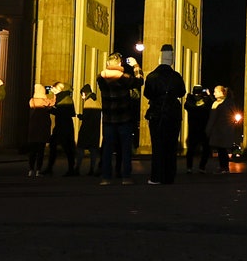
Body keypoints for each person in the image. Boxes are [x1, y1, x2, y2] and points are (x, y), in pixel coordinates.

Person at [97, 53, 142, 185]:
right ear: (120, 64)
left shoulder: (100, 78)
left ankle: (106, 177)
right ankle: (126, 177)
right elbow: (140, 81)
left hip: (108, 119)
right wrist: (135, 65)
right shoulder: (125, 78)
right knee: (125, 149)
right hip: (124, 118)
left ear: (107, 64)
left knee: (107, 149)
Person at [143, 44, 185, 185]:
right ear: (171, 58)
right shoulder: (176, 76)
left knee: (157, 146)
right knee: (171, 146)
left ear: (160, 57)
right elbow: (182, 92)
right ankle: (169, 176)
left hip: (157, 113)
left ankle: (156, 176)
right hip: (173, 114)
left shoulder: (152, 76)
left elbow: (147, 94)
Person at [46, 82, 79, 176]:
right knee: (62, 147)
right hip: (63, 125)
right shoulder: (63, 97)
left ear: (60, 89)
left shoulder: (64, 98)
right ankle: (52, 168)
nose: (52, 90)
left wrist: (51, 109)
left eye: (54, 88)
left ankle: (69, 169)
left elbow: (63, 112)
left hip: (63, 126)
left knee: (66, 147)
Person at [204, 84, 238, 173]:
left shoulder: (217, 104)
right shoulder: (230, 103)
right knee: (223, 149)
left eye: (215, 92)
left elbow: (212, 119)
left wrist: (208, 130)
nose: (214, 94)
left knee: (221, 150)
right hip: (227, 130)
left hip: (218, 131)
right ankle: (224, 167)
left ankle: (223, 167)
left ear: (220, 92)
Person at [25, 83, 53, 177]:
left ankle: (30, 170)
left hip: (33, 129)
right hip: (43, 129)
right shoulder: (46, 101)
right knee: (40, 151)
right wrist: (53, 92)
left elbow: (31, 107)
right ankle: (38, 170)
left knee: (32, 151)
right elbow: (53, 103)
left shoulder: (32, 100)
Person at [184, 84, 213, 173]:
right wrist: (208, 95)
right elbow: (211, 104)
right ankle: (202, 167)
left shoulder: (189, 101)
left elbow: (187, 106)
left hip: (193, 127)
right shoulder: (205, 100)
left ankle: (189, 167)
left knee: (191, 149)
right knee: (206, 149)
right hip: (203, 127)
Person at [77, 84, 102, 176]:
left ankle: (77, 168)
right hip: (95, 129)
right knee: (93, 150)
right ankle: (92, 168)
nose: (82, 97)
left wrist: (80, 116)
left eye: (82, 95)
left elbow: (86, 116)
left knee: (80, 148)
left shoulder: (88, 102)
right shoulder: (97, 101)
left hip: (87, 129)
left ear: (84, 93)